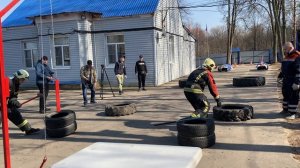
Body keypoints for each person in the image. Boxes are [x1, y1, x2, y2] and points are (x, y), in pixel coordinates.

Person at [6, 69, 40, 135]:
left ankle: (28, 129)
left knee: (16, 114)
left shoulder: (16, 84)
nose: (23, 81)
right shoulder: (8, 82)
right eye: (23, 79)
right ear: (18, 77)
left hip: (6, 105)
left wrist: (15, 103)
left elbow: (13, 97)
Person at [278, 42, 300, 119]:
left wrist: (297, 82)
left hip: (293, 80)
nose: (284, 50)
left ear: (290, 48)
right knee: (285, 94)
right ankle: (285, 110)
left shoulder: (297, 55)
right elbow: (284, 68)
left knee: (293, 96)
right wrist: (280, 75)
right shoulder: (287, 56)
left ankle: (293, 113)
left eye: (285, 49)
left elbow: (298, 71)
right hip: (286, 79)